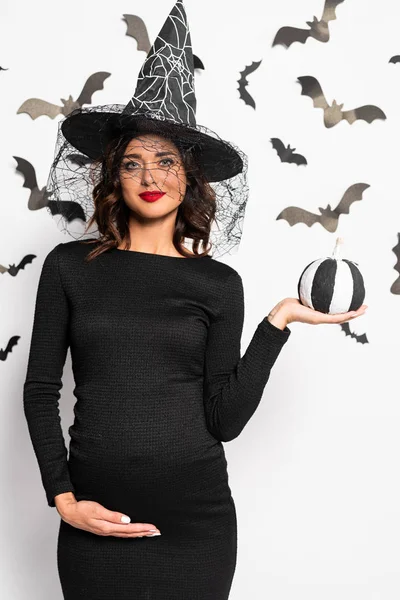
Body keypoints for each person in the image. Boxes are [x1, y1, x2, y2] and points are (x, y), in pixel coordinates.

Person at [22, 2, 367, 599]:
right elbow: (39, 391)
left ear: (190, 177)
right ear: (114, 178)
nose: (149, 175)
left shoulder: (217, 285)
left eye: (165, 160)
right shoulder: (67, 268)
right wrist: (64, 499)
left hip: (197, 527)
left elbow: (224, 420)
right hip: (94, 521)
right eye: (133, 163)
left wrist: (277, 322)